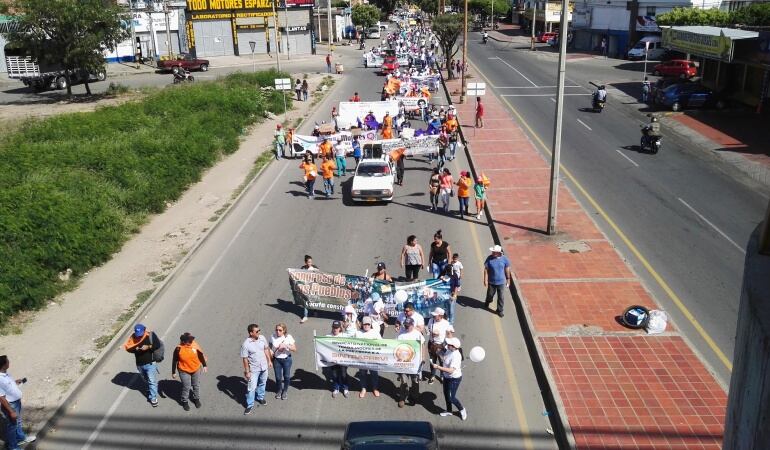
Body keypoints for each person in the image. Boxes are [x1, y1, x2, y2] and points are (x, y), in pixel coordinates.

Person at [0, 355, 36, 449]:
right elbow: (2, 397)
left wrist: (15, 382)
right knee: (11, 426)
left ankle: (20, 437)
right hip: (10, 405)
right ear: (4, 365)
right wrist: (11, 411)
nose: (9, 362)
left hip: (16, 402)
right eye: (8, 361)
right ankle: (13, 447)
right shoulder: (0, 379)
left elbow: (8, 386)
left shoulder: (6, 374)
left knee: (18, 421)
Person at [123, 323, 160, 407]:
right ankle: (150, 389)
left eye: (140, 334)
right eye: (137, 334)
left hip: (150, 363)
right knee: (145, 379)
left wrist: (148, 347)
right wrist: (135, 349)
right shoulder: (133, 338)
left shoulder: (150, 335)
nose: (139, 336)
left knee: (151, 380)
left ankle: (153, 397)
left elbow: (157, 345)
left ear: (144, 330)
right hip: (140, 364)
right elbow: (128, 348)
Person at [432, 337, 467, 420]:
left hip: (454, 379)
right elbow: (444, 357)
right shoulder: (449, 350)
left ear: (454, 347)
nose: (447, 345)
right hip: (446, 377)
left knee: (451, 397)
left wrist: (438, 367)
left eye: (449, 344)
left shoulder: (456, 356)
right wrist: (438, 352)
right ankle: (449, 411)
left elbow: (451, 370)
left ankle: (462, 409)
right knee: (446, 394)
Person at [171, 332, 207, 411]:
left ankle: (196, 399)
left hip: (195, 368)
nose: (191, 342)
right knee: (186, 387)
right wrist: (173, 372)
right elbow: (174, 361)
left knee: (196, 385)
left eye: (191, 340)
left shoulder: (194, 345)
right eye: (189, 341)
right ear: (183, 342)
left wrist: (204, 365)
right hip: (184, 370)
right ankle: (184, 401)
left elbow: (200, 354)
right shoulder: (178, 349)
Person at [241, 324, 272, 415]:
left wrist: (269, 360)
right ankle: (250, 404)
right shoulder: (246, 344)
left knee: (263, 382)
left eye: (259, 330)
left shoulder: (262, 338)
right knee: (251, 388)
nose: (259, 332)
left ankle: (260, 397)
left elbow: (266, 349)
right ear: (251, 333)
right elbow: (245, 359)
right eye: (257, 331)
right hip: (253, 370)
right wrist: (247, 372)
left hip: (264, 366)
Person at [395, 317, 424, 408]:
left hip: (415, 363)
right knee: (404, 381)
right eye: (406, 325)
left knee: (415, 381)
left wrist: (423, 357)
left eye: (409, 325)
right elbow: (395, 346)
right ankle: (402, 398)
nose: (407, 327)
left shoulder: (417, 334)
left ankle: (414, 397)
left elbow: (423, 345)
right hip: (403, 363)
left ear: (413, 325)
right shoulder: (401, 334)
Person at [355, 317, 382, 398]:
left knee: (374, 373)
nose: (366, 325)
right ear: (362, 324)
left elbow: (382, 343)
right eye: (364, 324)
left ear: (370, 325)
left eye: (368, 324)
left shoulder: (375, 333)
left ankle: (375, 388)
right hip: (361, 358)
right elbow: (352, 344)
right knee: (362, 374)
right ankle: (363, 388)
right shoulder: (358, 333)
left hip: (373, 358)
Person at [484, 244, 512, 318]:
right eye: (492, 251)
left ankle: (500, 310)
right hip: (491, 282)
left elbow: (507, 268)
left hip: (501, 282)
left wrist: (508, 279)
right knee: (490, 294)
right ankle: (488, 301)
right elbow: (486, 270)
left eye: (493, 252)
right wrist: (485, 280)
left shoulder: (504, 259)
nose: (492, 253)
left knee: (501, 297)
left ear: (498, 252)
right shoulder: (489, 258)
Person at [270, 323, 296, 400]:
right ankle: (279, 390)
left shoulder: (288, 337)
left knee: (287, 376)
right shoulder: (272, 336)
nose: (278, 331)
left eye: (280, 330)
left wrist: (286, 346)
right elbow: (270, 344)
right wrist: (270, 351)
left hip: (286, 359)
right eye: (276, 330)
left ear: (284, 330)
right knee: (278, 377)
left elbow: (294, 349)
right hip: (276, 359)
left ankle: (285, 391)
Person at [327, 321, 350, 397]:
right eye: (334, 327)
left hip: (343, 359)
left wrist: (347, 327)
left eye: (337, 327)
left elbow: (353, 341)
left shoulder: (344, 335)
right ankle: (336, 388)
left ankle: (345, 388)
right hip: (333, 360)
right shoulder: (328, 336)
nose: (335, 329)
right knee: (334, 375)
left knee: (343, 374)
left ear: (340, 328)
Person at [299, 255, 319, 323]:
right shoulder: (303, 268)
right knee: (305, 301)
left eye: (311, 262)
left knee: (313, 300)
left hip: (313, 287)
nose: (310, 263)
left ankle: (315, 311)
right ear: (305, 262)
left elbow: (320, 275)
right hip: (306, 288)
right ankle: (305, 316)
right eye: (309, 262)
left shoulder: (314, 268)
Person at [445, 253, 463, 324]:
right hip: (445, 294)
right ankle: (447, 317)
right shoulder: (445, 275)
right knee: (446, 308)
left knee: (451, 309)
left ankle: (451, 321)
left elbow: (456, 285)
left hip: (452, 294)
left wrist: (455, 295)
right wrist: (441, 278)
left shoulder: (455, 276)